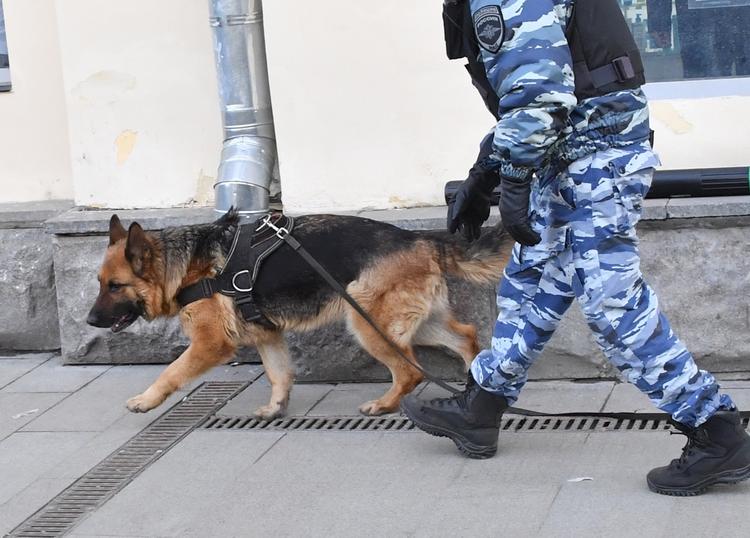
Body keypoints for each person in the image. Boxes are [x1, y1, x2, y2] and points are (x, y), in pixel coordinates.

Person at [401, 0, 750, 496]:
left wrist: (512, 177)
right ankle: (480, 408)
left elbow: (539, 93)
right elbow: (539, 88)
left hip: (592, 165)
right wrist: (484, 172)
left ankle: (716, 433)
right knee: (532, 282)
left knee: (613, 308)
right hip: (569, 159)